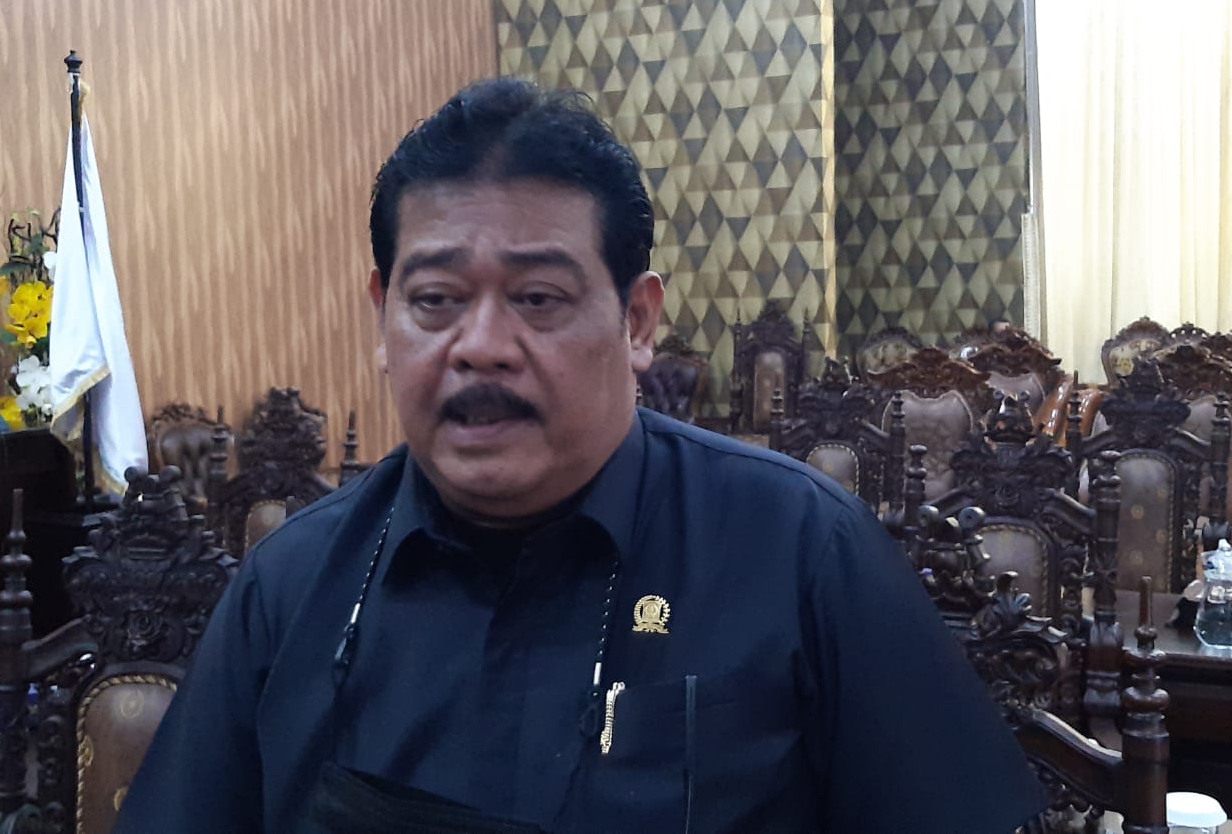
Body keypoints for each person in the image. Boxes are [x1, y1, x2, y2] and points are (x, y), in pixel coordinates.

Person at [116, 78, 1044, 833]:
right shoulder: (289, 583)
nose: (481, 346)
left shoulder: (803, 548)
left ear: (636, 320)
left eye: (537, 299)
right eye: (435, 300)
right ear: (381, 316)